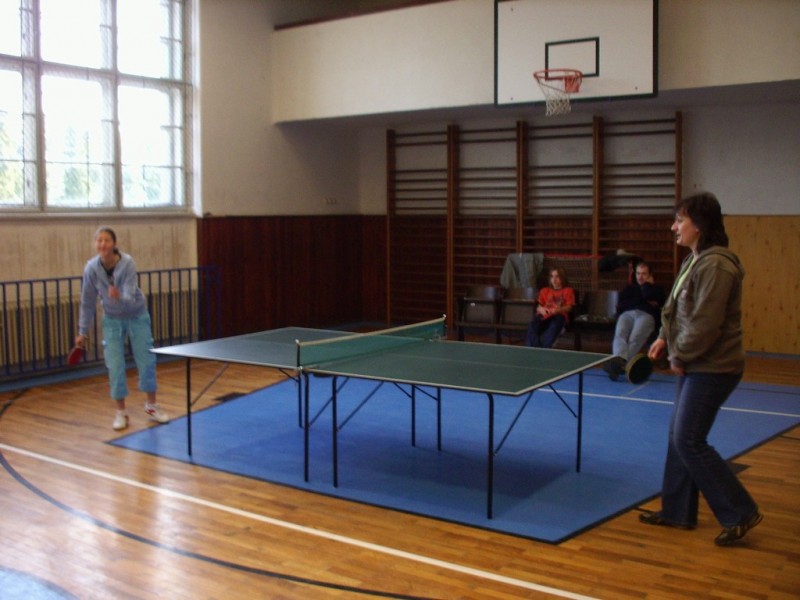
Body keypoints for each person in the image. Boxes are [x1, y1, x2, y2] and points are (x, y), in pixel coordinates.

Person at [640, 192, 762, 546]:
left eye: (680, 220)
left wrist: (679, 356)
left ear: (700, 225)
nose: (673, 227)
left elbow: (705, 324)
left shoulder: (717, 266)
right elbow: (675, 310)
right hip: (697, 363)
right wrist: (663, 338)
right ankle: (677, 511)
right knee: (678, 436)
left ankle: (740, 511)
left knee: (689, 439)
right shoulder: (693, 261)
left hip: (714, 367)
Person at [75, 226, 169, 431]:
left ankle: (152, 406)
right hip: (112, 320)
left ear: (114, 244)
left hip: (137, 316)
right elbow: (87, 301)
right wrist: (82, 331)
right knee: (115, 366)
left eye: (106, 240)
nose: (102, 244)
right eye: (99, 240)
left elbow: (131, 292)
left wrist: (119, 295)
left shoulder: (127, 263)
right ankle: (121, 412)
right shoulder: (91, 268)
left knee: (146, 361)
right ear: (95, 244)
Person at [603, 260, 666, 381]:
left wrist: (646, 287)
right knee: (620, 334)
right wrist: (644, 301)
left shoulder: (657, 289)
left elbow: (654, 298)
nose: (640, 277)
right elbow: (621, 304)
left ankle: (617, 365)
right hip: (627, 314)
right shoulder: (629, 288)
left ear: (650, 275)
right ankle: (620, 362)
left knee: (635, 337)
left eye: (644, 274)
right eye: (638, 273)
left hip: (646, 315)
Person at [526, 267, 575, 348]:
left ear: (562, 278)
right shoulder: (544, 290)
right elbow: (538, 306)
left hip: (559, 315)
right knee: (532, 326)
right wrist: (541, 309)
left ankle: (544, 348)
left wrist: (558, 310)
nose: (554, 280)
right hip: (544, 315)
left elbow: (569, 307)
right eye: (552, 276)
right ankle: (533, 349)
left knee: (554, 326)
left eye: (557, 276)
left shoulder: (568, 290)